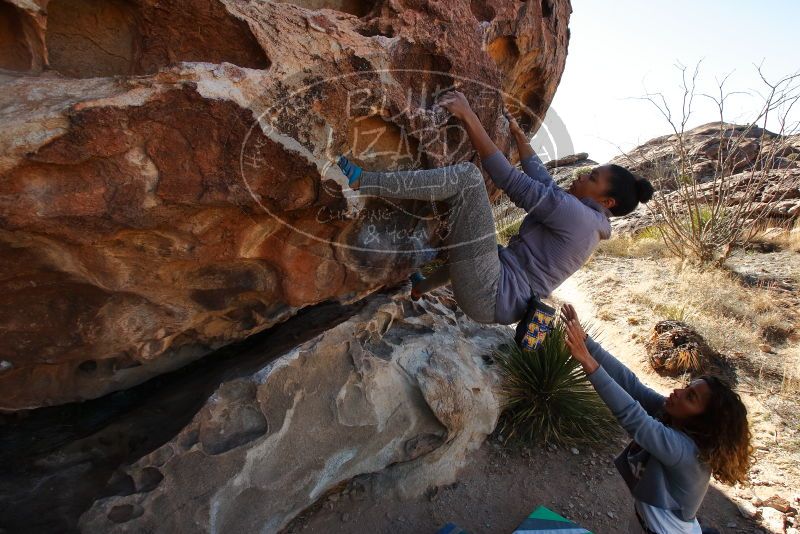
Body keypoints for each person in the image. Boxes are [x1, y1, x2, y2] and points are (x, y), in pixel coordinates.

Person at [336, 90, 654, 325]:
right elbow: (543, 180)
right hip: (497, 298)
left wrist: (468, 115)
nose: (583, 175)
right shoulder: (588, 221)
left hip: (492, 293)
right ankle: (420, 288)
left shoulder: (580, 220)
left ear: (606, 200)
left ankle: (363, 181)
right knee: (488, 247)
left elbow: (508, 179)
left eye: (592, 178)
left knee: (469, 179)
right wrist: (519, 137)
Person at [561, 304, 752, 534]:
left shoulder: (684, 451)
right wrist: (587, 342)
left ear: (703, 422)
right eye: (686, 387)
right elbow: (631, 385)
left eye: (690, 397)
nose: (677, 392)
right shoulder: (673, 414)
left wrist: (588, 362)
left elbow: (634, 417)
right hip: (645, 524)